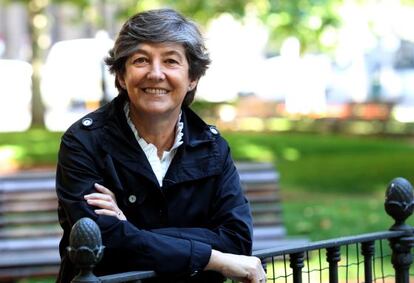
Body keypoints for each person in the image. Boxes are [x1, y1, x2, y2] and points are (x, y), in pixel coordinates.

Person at [56, 8, 266, 283]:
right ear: (121, 75)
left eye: (170, 61)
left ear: (192, 78)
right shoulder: (83, 143)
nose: (156, 74)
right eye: (141, 60)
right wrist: (212, 257)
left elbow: (236, 241)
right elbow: (104, 243)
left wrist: (130, 229)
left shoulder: (212, 147)